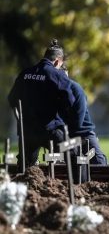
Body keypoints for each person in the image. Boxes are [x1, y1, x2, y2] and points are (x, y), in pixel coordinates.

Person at [8, 39, 75, 170]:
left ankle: (25, 189)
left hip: (27, 131)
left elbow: (12, 99)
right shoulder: (58, 75)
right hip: (51, 129)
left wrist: (21, 120)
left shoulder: (25, 73)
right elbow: (70, 102)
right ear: (57, 61)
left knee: (26, 167)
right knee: (73, 156)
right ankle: (80, 187)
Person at [59, 64, 108, 165]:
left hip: (83, 133)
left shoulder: (75, 88)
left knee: (99, 164)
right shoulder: (51, 91)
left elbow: (78, 120)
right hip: (62, 135)